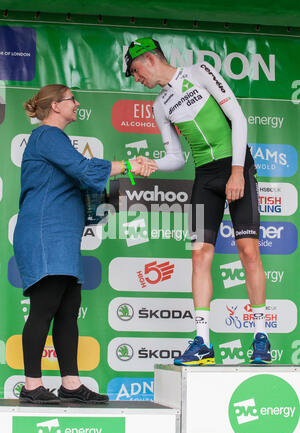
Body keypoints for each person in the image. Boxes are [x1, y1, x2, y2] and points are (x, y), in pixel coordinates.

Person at [124, 37, 272, 366]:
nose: (137, 79)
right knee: (199, 254)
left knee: (248, 250)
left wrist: (237, 172)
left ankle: (260, 334)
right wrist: (151, 164)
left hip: (236, 165)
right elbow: (175, 158)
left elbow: (239, 118)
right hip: (205, 176)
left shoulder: (200, 71)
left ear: (149, 59)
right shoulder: (159, 105)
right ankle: (202, 340)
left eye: (135, 71)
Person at [13, 84, 154, 404]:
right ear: (55, 107)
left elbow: (81, 184)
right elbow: (84, 170)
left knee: (67, 309)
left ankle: (70, 384)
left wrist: (106, 199)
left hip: (61, 235)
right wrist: (130, 165)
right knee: (44, 307)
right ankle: (32, 386)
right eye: (71, 99)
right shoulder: (47, 136)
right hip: (44, 233)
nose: (77, 104)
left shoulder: (58, 141)